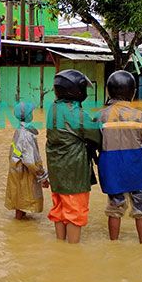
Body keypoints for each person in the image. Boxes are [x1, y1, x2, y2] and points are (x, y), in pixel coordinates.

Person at [46, 69, 101, 244]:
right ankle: (72, 251)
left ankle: (60, 246)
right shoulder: (76, 114)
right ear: (77, 90)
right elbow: (96, 136)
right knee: (75, 212)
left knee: (59, 209)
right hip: (74, 173)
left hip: (56, 171)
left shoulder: (53, 108)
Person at [97, 71, 142, 243]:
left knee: (114, 208)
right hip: (136, 168)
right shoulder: (139, 115)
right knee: (141, 209)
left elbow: (97, 142)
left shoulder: (101, 116)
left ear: (108, 92)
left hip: (112, 169)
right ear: (133, 92)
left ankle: (114, 244)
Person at [5, 102, 49, 220]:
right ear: (28, 115)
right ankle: (19, 224)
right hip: (23, 171)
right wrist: (43, 177)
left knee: (20, 200)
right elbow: (30, 161)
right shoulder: (26, 135)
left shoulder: (19, 130)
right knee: (22, 200)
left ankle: (19, 226)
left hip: (16, 170)